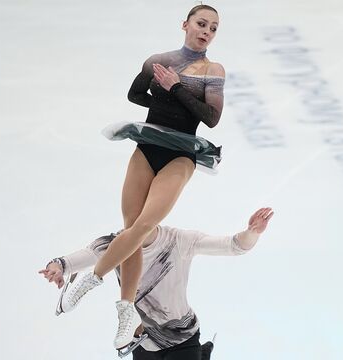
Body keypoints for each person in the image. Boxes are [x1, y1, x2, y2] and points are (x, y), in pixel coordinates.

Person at [51, 4, 226, 352]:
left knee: (144, 225)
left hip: (182, 153)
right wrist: (162, 95)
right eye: (201, 23)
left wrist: (175, 88)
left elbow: (211, 118)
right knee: (131, 226)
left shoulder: (213, 70)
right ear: (185, 25)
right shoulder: (158, 59)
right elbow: (135, 94)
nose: (207, 31)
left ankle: (93, 279)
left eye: (213, 28)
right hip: (147, 146)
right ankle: (127, 310)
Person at [39, 207, 275, 359]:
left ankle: (200, 354)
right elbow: (82, 257)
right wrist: (58, 266)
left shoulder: (179, 241)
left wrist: (251, 232)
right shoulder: (116, 244)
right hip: (142, 342)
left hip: (181, 338)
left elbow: (233, 246)